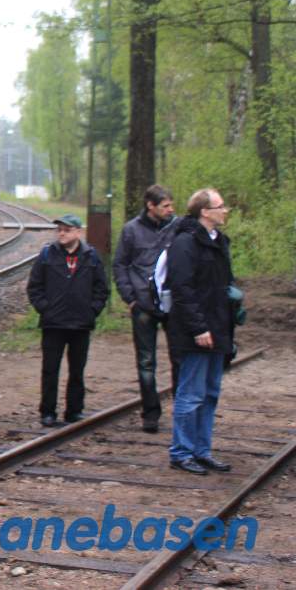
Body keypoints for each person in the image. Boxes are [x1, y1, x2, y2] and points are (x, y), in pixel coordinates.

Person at [164, 188, 236, 476]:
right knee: (190, 394)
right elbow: (182, 289)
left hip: (218, 330)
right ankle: (181, 451)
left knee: (209, 394)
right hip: (196, 332)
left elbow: (222, 287)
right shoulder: (185, 243)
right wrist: (199, 328)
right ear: (205, 211)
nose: (225, 210)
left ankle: (201, 450)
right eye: (220, 206)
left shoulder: (219, 242)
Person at [26, 213, 109, 427]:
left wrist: (92, 311)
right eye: (59, 230)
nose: (62, 234)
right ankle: (48, 411)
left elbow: (101, 289)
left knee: (77, 370)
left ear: (78, 232)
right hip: (53, 323)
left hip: (80, 323)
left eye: (67, 230)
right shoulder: (47, 255)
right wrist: (44, 308)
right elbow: (35, 286)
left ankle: (74, 410)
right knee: (50, 369)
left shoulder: (91, 256)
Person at [113, 184, 180, 433]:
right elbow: (120, 264)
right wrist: (129, 297)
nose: (170, 210)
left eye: (171, 205)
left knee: (180, 359)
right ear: (150, 206)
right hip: (142, 304)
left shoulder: (179, 226)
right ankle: (150, 414)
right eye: (165, 206)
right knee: (146, 361)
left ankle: (181, 411)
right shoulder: (131, 230)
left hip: (173, 305)